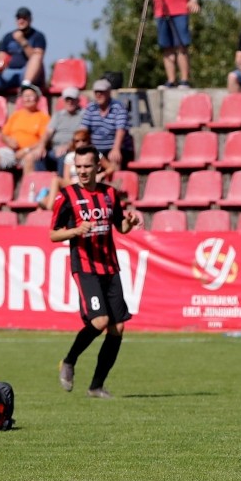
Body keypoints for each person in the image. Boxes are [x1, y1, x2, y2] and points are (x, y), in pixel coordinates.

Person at [51, 145, 141, 399]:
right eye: (78, 167)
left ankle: (96, 386)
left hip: (110, 266)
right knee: (100, 322)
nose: (82, 171)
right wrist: (75, 231)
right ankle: (69, 361)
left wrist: (130, 222)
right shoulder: (66, 196)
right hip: (85, 267)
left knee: (117, 328)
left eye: (87, 166)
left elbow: (120, 227)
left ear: (98, 166)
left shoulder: (110, 194)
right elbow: (53, 234)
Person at [134, 0, 199, 89]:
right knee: (166, 46)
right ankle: (171, 80)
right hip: (161, 11)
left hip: (179, 9)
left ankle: (184, 80)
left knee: (181, 45)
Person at [0, 7, 46, 97]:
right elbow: (1, 56)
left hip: (28, 74)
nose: (21, 21)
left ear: (30, 20)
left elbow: (37, 58)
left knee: (36, 56)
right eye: (19, 18)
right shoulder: (8, 37)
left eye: (24, 18)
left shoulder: (38, 36)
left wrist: (22, 41)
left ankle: (25, 87)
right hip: (10, 73)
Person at [0, 84, 50, 174]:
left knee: (29, 159)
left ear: (37, 99)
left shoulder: (43, 117)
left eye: (31, 96)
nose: (27, 99)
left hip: (30, 152)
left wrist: (26, 150)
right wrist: (8, 140)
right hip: (12, 151)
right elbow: (3, 134)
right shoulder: (16, 115)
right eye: (25, 96)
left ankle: (27, 187)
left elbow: (43, 140)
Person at [79, 78, 134, 174]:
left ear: (109, 93)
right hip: (96, 148)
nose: (98, 94)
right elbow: (84, 129)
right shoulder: (90, 108)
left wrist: (116, 149)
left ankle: (115, 185)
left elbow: (120, 130)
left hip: (115, 147)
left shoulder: (118, 107)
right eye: (96, 92)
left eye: (101, 92)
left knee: (115, 158)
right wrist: (80, 143)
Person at [37, 128, 100, 211]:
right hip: (73, 185)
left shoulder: (94, 154)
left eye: (83, 140)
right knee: (56, 183)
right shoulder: (70, 156)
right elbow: (66, 178)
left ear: (88, 140)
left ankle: (49, 207)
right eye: (77, 141)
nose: (80, 143)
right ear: (74, 143)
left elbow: (111, 167)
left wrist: (102, 174)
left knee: (47, 199)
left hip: (88, 183)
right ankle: (48, 207)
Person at [32, 86, 84, 174]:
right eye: (67, 99)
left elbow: (82, 135)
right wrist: (42, 146)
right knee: (38, 155)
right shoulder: (58, 115)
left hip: (72, 149)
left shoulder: (83, 115)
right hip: (54, 149)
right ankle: (43, 183)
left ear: (78, 100)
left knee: (63, 157)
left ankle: (60, 183)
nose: (70, 102)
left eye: (72, 99)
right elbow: (48, 132)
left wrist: (68, 146)